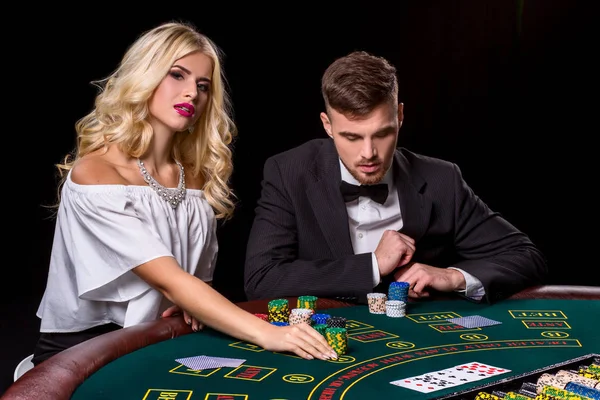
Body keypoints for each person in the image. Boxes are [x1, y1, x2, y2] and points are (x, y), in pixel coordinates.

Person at [32, 21, 338, 366]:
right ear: (145, 76)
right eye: (177, 75)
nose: (192, 92)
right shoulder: (97, 174)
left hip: (156, 338)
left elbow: (190, 288)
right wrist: (268, 333)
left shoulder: (192, 180)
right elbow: (173, 282)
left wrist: (191, 304)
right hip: (85, 347)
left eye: (203, 85)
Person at [244, 50, 547, 305]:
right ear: (327, 125)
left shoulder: (442, 180)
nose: (368, 153)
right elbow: (261, 279)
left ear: (400, 116)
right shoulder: (289, 173)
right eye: (351, 137)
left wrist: (452, 276)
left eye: (383, 133)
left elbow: (525, 256)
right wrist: (372, 266)